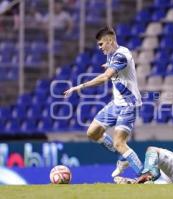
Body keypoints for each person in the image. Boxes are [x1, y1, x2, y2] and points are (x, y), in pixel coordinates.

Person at [64, 26, 143, 177]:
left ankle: (145, 175)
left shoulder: (121, 55)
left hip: (129, 104)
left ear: (110, 41)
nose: (99, 48)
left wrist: (80, 86)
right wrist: (109, 65)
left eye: (101, 44)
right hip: (117, 103)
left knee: (119, 143)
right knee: (93, 132)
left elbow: (105, 77)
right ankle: (123, 157)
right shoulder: (111, 54)